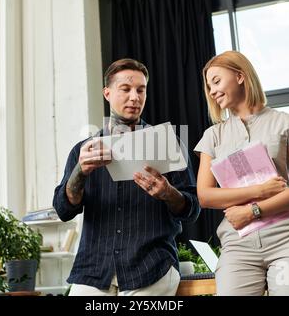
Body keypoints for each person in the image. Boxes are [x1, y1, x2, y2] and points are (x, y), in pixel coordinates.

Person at [52, 58, 200, 296]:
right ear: (107, 93)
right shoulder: (84, 150)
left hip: (152, 267)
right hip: (93, 269)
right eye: (126, 89)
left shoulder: (167, 145)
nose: (135, 97)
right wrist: (80, 171)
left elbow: (192, 210)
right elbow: (63, 209)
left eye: (141, 90)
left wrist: (168, 193)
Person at [194, 51, 289, 296]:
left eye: (217, 81)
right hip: (237, 246)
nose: (212, 91)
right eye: (209, 87)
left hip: (287, 239)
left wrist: (253, 210)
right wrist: (259, 191)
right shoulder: (213, 136)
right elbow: (205, 196)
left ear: (240, 76)